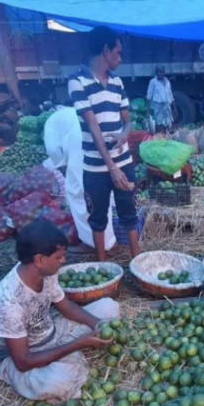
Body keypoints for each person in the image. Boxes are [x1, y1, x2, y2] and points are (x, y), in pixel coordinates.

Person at [0, 221, 120, 403]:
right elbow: (23, 361)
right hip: (16, 358)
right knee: (60, 381)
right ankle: (65, 363)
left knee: (109, 307)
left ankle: (68, 358)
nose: (63, 261)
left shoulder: (46, 272)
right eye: (59, 257)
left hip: (50, 333)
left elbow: (65, 305)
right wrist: (76, 344)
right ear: (39, 260)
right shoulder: (8, 301)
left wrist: (96, 323)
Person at [68, 26, 141, 262]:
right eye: (117, 52)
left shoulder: (118, 82)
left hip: (123, 162)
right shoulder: (77, 82)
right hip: (96, 168)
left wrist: (124, 134)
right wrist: (112, 167)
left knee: (128, 213)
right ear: (105, 49)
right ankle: (103, 266)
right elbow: (93, 126)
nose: (120, 58)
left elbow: (128, 121)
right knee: (97, 218)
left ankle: (137, 262)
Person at [45, 107, 118, 251]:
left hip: (78, 147)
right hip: (96, 141)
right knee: (84, 193)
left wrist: (66, 171)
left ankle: (105, 243)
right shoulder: (69, 113)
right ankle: (93, 241)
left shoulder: (50, 123)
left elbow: (53, 151)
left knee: (85, 196)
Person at [146, 66, 175, 133]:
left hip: (167, 105)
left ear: (164, 72)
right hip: (158, 106)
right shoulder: (153, 82)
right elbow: (149, 96)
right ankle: (159, 138)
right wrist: (148, 111)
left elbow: (170, 95)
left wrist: (174, 108)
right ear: (155, 73)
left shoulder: (167, 81)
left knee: (168, 123)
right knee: (158, 124)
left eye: (161, 72)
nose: (159, 73)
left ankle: (166, 138)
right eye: (157, 72)